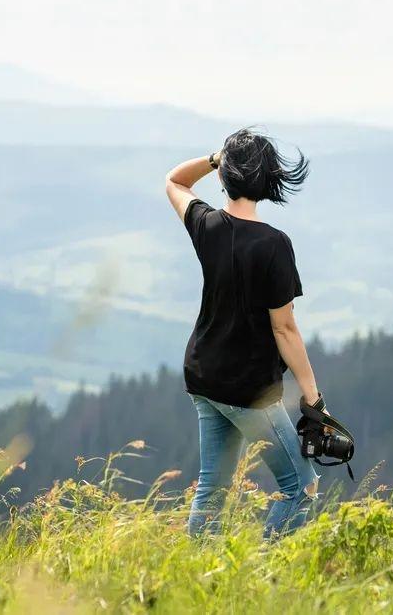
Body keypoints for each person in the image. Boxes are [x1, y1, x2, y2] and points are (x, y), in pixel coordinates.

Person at [164, 128, 323, 538]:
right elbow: (284, 328)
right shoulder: (274, 245)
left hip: (203, 377)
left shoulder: (207, 225)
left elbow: (175, 180)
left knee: (211, 491)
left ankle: (197, 577)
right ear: (268, 179)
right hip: (249, 392)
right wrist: (312, 396)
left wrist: (215, 158)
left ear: (224, 176)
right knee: (301, 487)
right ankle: (266, 576)